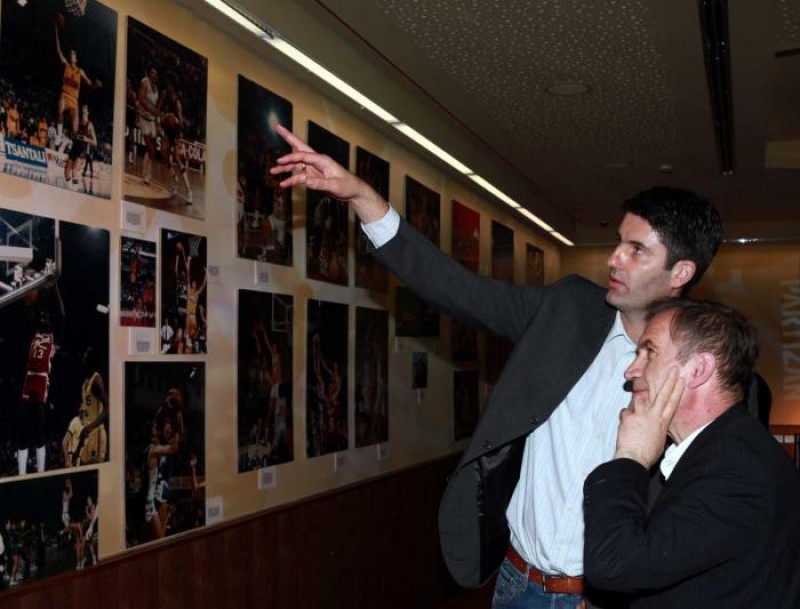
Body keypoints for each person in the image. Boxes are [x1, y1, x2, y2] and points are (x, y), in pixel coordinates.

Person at [269, 124, 751, 608]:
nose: (614, 259)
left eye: (637, 250)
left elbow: (703, 513)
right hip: (516, 583)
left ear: (680, 272)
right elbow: (454, 287)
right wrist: (361, 196)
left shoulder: (702, 374)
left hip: (604, 598)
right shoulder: (566, 310)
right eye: (618, 242)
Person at [584, 299, 800, 607]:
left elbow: (614, 565)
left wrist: (630, 455)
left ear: (699, 369)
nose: (631, 370)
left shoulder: (737, 469)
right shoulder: (716, 449)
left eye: (649, 353)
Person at [18, 314, 56, 475]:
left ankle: (41, 472)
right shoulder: (35, 335)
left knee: (39, 427)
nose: (43, 320)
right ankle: (21, 474)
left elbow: (61, 317)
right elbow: (32, 318)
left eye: (46, 319)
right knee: (23, 427)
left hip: (41, 379)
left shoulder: (52, 339)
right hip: (29, 378)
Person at [54, 23, 100, 149]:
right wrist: (56, 30)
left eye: (73, 54)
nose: (71, 55)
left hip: (74, 100)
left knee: (75, 129)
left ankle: (67, 139)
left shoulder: (80, 71)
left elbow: (90, 84)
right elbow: (58, 51)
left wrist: (96, 85)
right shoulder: (66, 65)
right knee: (60, 108)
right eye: (70, 54)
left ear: (76, 58)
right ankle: (59, 134)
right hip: (65, 95)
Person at [158, 71, 192, 203]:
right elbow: (159, 109)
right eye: (167, 84)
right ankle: (175, 179)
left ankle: (189, 190)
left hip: (176, 131)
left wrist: (176, 120)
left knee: (177, 157)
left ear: (173, 86)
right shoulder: (164, 94)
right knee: (164, 155)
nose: (167, 86)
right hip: (167, 129)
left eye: (169, 84)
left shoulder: (177, 102)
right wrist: (162, 118)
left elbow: (181, 124)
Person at [136, 64, 159, 185]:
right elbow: (140, 99)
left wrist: (157, 120)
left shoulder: (156, 89)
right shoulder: (145, 83)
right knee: (150, 149)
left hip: (152, 120)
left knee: (153, 150)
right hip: (144, 118)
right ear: (149, 73)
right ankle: (146, 174)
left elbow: (155, 108)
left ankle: (146, 173)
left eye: (156, 74)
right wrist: (151, 110)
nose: (154, 75)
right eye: (153, 73)